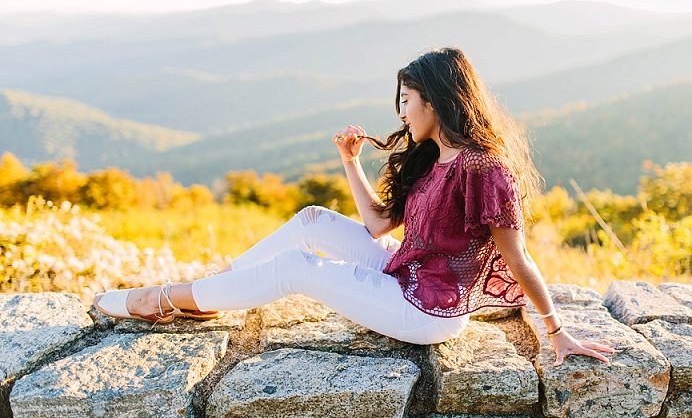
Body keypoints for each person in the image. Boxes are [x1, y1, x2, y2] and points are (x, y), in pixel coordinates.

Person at [95, 48, 614, 366]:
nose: (402, 113)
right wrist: (350, 161)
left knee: (298, 268)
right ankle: (217, 284)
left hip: (427, 311)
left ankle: (168, 300)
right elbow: (377, 225)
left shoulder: (484, 170)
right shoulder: (432, 156)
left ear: (434, 100)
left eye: (406, 101)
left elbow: (519, 259)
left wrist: (556, 331)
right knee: (313, 219)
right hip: (403, 273)